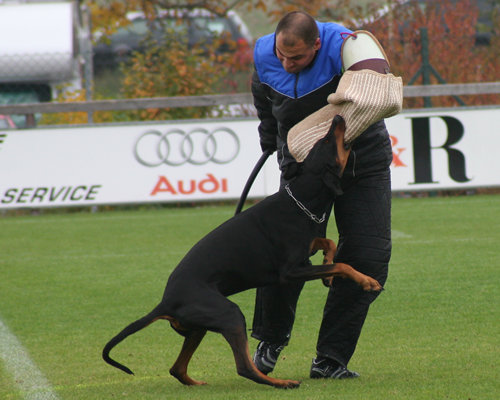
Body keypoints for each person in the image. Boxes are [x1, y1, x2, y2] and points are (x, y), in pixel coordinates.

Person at [251, 10, 393, 379]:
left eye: (296, 58)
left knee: (368, 254)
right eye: (282, 55)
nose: (287, 63)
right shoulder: (265, 52)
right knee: (285, 251)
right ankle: (270, 340)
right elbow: (263, 98)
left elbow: (376, 92)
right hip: (301, 165)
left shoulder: (348, 46)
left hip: (362, 160)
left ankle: (331, 358)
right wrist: (270, 137)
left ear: (316, 44)